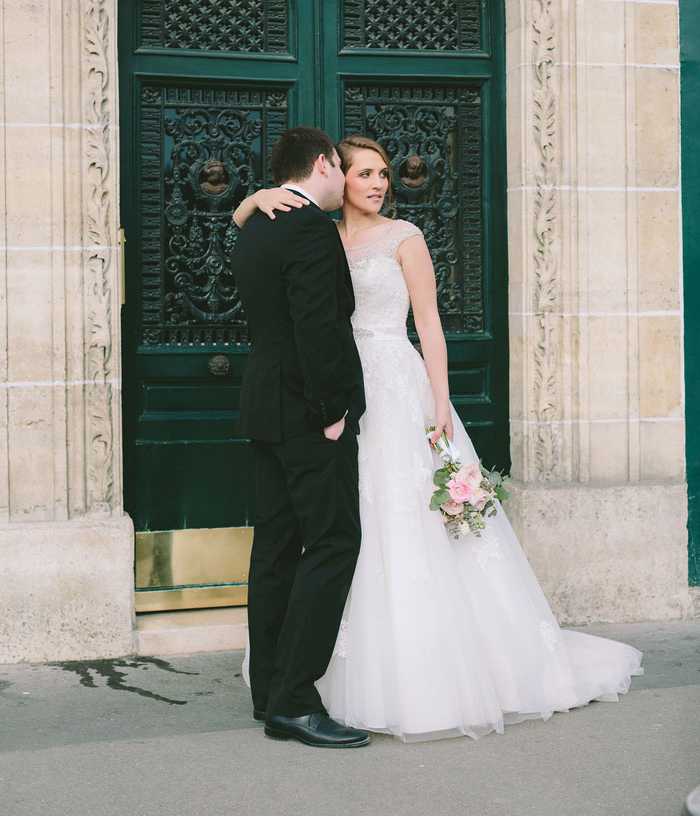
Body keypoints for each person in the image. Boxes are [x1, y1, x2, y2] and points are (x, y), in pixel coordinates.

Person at [234, 134, 643, 742]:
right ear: (332, 174)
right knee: (335, 535)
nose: (377, 184)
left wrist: (441, 402)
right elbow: (308, 311)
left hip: (387, 389)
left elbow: (428, 323)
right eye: (365, 173)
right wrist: (258, 196)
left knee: (364, 526)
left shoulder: (403, 238)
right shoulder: (307, 225)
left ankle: (324, 682)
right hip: (330, 395)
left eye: (384, 175)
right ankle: (302, 688)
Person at [230, 126, 369, 749]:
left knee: (277, 547)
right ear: (322, 165)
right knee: (336, 539)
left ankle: (268, 693)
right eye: (342, 169)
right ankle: (294, 699)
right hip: (308, 412)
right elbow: (317, 323)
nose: (345, 182)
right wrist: (332, 408)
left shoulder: (258, 221)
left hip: (265, 404)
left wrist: (254, 197)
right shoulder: (309, 225)